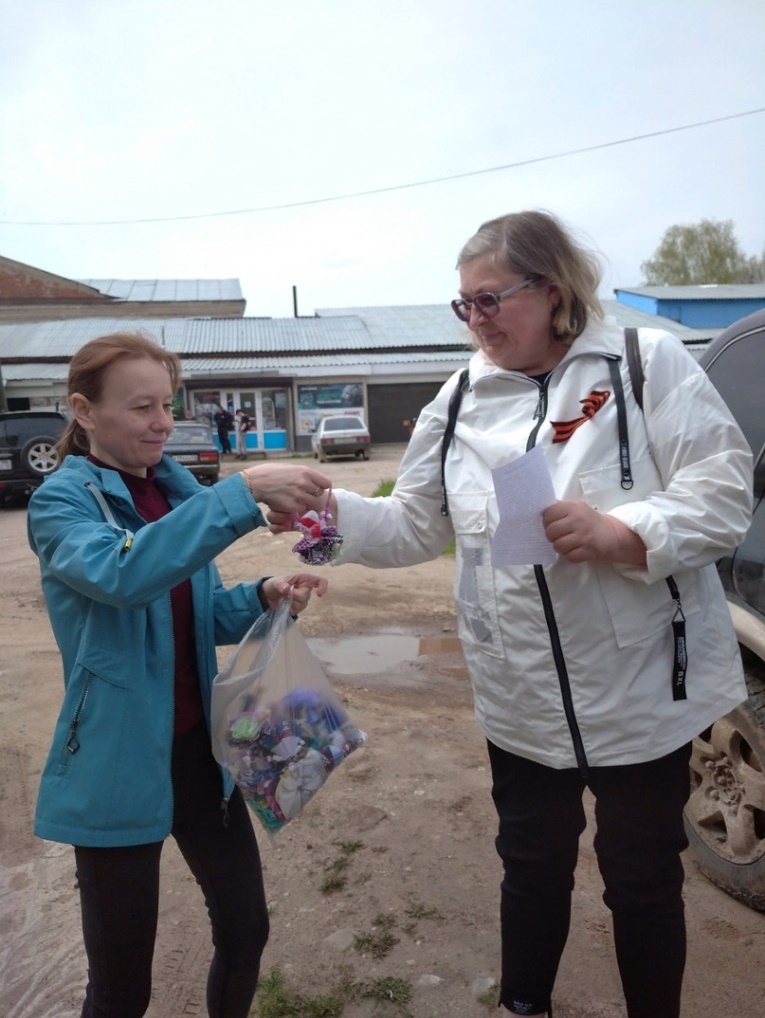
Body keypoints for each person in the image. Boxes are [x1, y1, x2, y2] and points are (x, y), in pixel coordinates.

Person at [268, 210, 753, 1018]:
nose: (475, 320)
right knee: (529, 866)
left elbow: (723, 492)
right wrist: (327, 514)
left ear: (552, 289)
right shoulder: (458, 400)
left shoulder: (644, 364)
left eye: (489, 299)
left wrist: (622, 531)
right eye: (464, 304)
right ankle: (522, 1006)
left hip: (641, 689)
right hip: (519, 695)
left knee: (640, 878)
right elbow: (415, 523)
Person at [27, 331, 333, 1018]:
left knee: (246, 932)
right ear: (84, 410)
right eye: (142, 407)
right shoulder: (59, 505)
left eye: (167, 404)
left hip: (199, 755)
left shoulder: (172, 492)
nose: (162, 423)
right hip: (116, 761)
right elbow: (125, 575)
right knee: (121, 990)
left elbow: (191, 612)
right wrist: (240, 492)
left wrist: (261, 597)